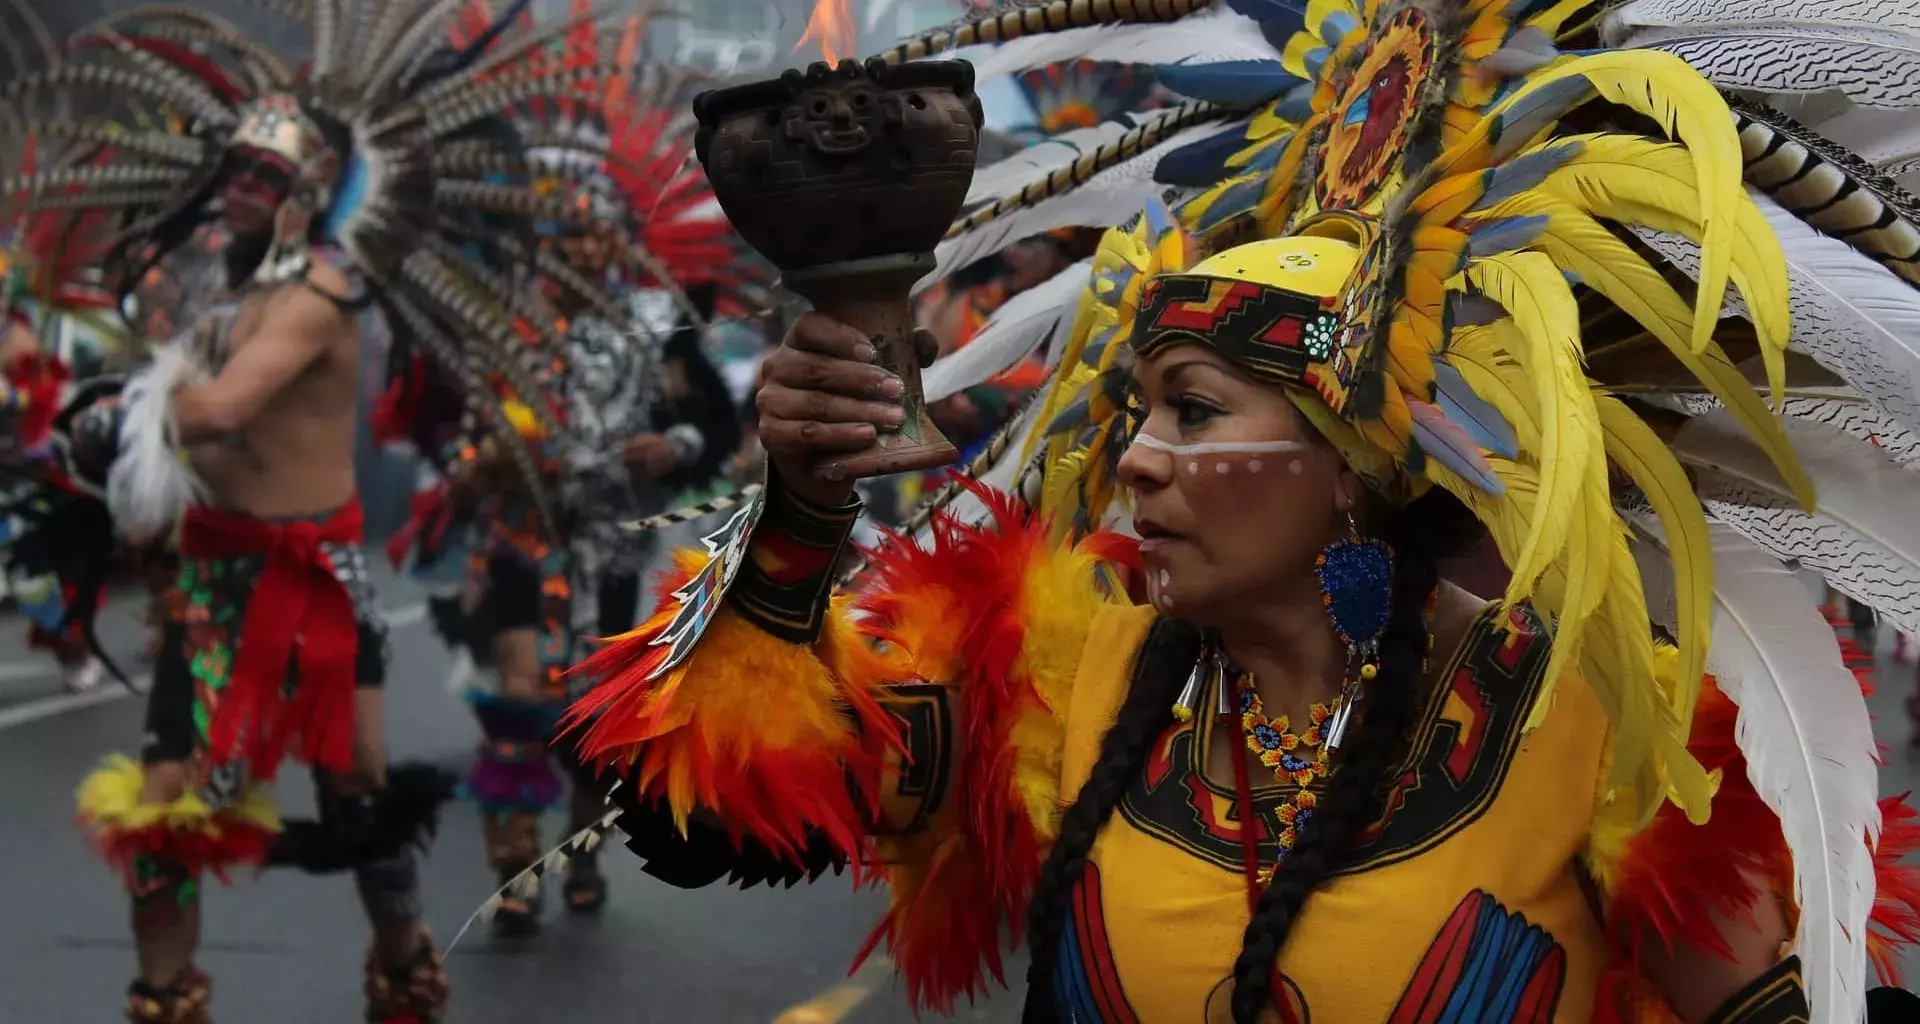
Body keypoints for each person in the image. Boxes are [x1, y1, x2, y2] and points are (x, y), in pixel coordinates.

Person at [556, 0, 1920, 1020]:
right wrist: (798, 507)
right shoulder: (1054, 673)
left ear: (1354, 462)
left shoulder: (1607, 736)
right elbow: (700, 824)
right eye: (1142, 409)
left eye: (1195, 413)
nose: (1133, 460)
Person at [7, 2, 646, 1018]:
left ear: (309, 193)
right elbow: (182, 427)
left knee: (358, 807)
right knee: (165, 810)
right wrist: (104, 449)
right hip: (214, 585)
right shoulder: (225, 295)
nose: (244, 188)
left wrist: (122, 412)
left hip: (319, 590)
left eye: (269, 177)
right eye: (238, 171)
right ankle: (163, 996)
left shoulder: (321, 294)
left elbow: (216, 410)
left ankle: (404, 976)